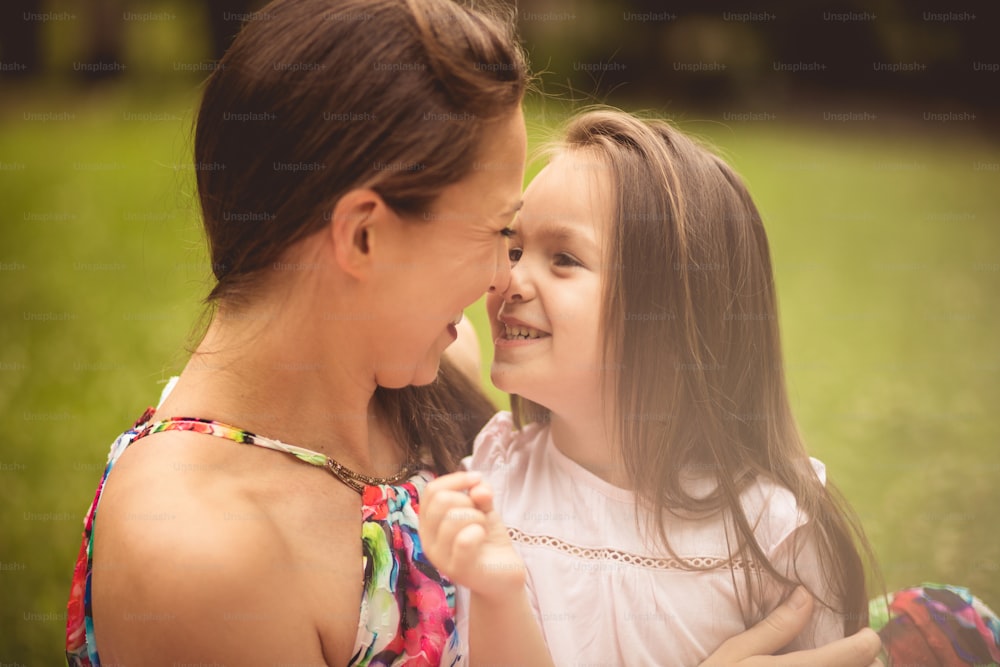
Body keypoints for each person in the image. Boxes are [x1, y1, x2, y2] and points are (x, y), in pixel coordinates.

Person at [64, 1, 884, 665]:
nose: (503, 280)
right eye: (499, 232)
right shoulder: (199, 556)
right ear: (364, 238)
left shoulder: (422, 363)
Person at [420, 109, 881, 665]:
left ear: (672, 318)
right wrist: (498, 593)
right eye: (514, 249)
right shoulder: (494, 487)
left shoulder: (773, 533)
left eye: (563, 258)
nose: (508, 280)